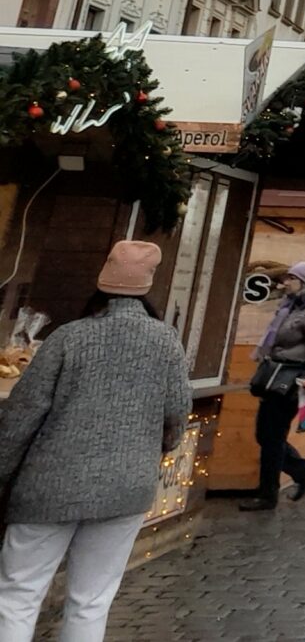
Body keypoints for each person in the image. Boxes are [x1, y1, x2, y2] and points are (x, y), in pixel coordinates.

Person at [0, 241, 191, 642]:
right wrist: (145, 455)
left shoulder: (68, 338)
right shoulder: (166, 342)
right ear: (148, 286)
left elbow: (21, 416)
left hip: (48, 487)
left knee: (17, 595)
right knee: (91, 601)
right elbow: (176, 417)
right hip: (126, 489)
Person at [244, 259, 305, 509]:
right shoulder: (294, 303)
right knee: (268, 435)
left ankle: (273, 491)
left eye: (291, 279)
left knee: (270, 436)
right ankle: (298, 475)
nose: (285, 283)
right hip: (276, 373)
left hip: (291, 380)